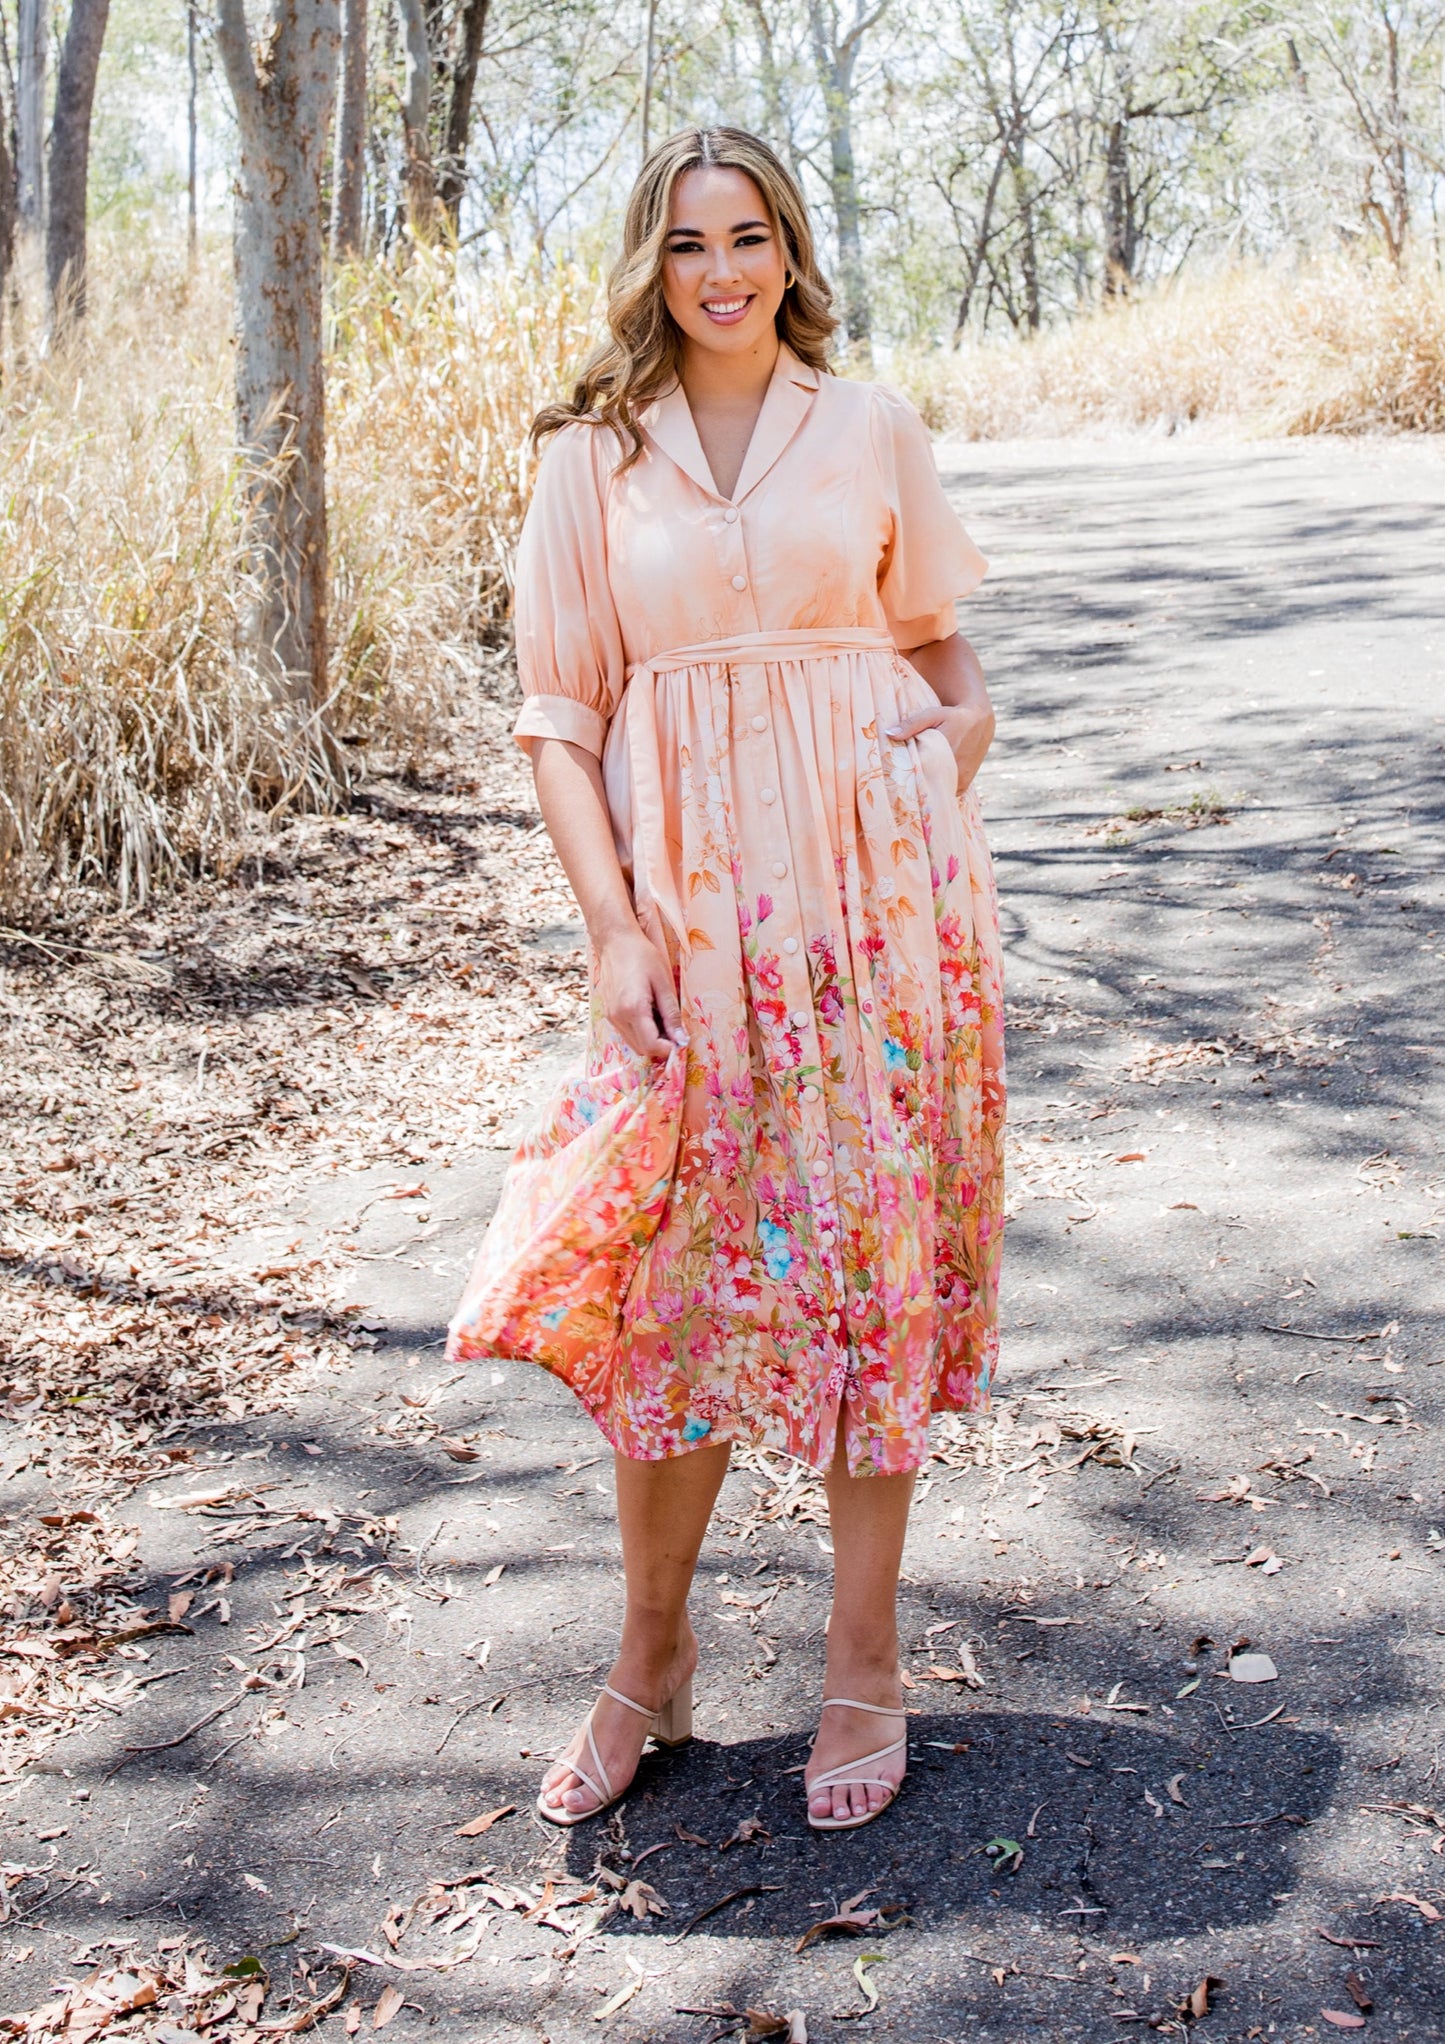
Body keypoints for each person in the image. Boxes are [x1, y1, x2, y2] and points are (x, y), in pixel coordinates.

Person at [448, 125, 1005, 1833]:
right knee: (669, 1277)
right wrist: (615, 931)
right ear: (650, 263)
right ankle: (652, 1654)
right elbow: (558, 719)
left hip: (869, 909)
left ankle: (863, 1656)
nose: (720, 271)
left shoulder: (872, 424)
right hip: (686, 916)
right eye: (687, 244)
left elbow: (939, 645)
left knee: (861, 1258)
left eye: (746, 235)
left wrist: (956, 736)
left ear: (788, 247)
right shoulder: (585, 461)